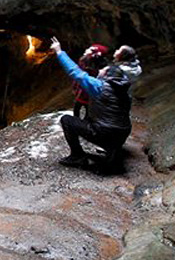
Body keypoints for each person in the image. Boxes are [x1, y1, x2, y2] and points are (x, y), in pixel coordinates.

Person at [49, 37, 133, 170]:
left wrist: (59, 52)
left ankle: (77, 156)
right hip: (122, 133)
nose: (100, 72)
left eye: (103, 72)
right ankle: (112, 150)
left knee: (67, 120)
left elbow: (76, 73)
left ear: (108, 77)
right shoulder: (125, 92)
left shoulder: (100, 87)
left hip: (104, 132)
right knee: (101, 119)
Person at [73, 44, 109, 119]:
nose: (87, 50)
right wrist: (75, 86)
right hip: (81, 89)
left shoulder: (100, 66)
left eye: (91, 50)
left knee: (88, 109)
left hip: (90, 91)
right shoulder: (84, 60)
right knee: (77, 107)